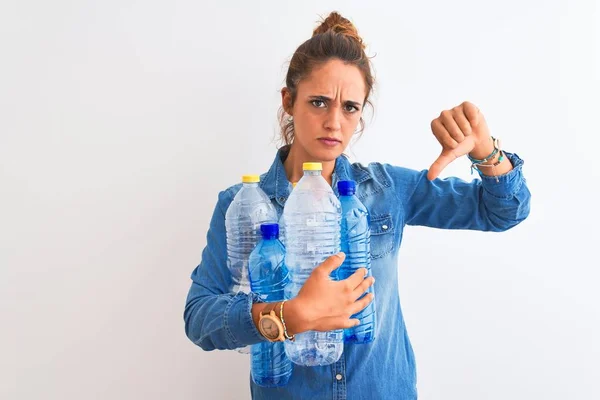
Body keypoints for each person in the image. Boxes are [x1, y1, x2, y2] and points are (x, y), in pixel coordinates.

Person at [183, 11, 531, 400]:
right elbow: (199, 317)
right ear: (288, 101)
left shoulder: (387, 188)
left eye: (350, 107)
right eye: (318, 102)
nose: (334, 122)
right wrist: (288, 315)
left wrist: (486, 149)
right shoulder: (243, 205)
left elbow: (503, 211)